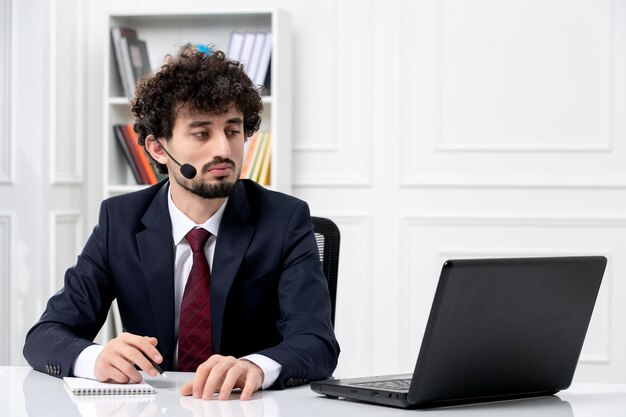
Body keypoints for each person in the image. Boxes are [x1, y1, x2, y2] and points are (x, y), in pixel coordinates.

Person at [23, 46, 340, 400]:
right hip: (153, 406)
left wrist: (257, 366)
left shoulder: (284, 220)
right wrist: (96, 357)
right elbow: (45, 335)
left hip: (247, 406)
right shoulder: (120, 221)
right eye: (202, 133)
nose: (224, 148)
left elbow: (317, 343)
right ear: (159, 149)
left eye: (233, 131)